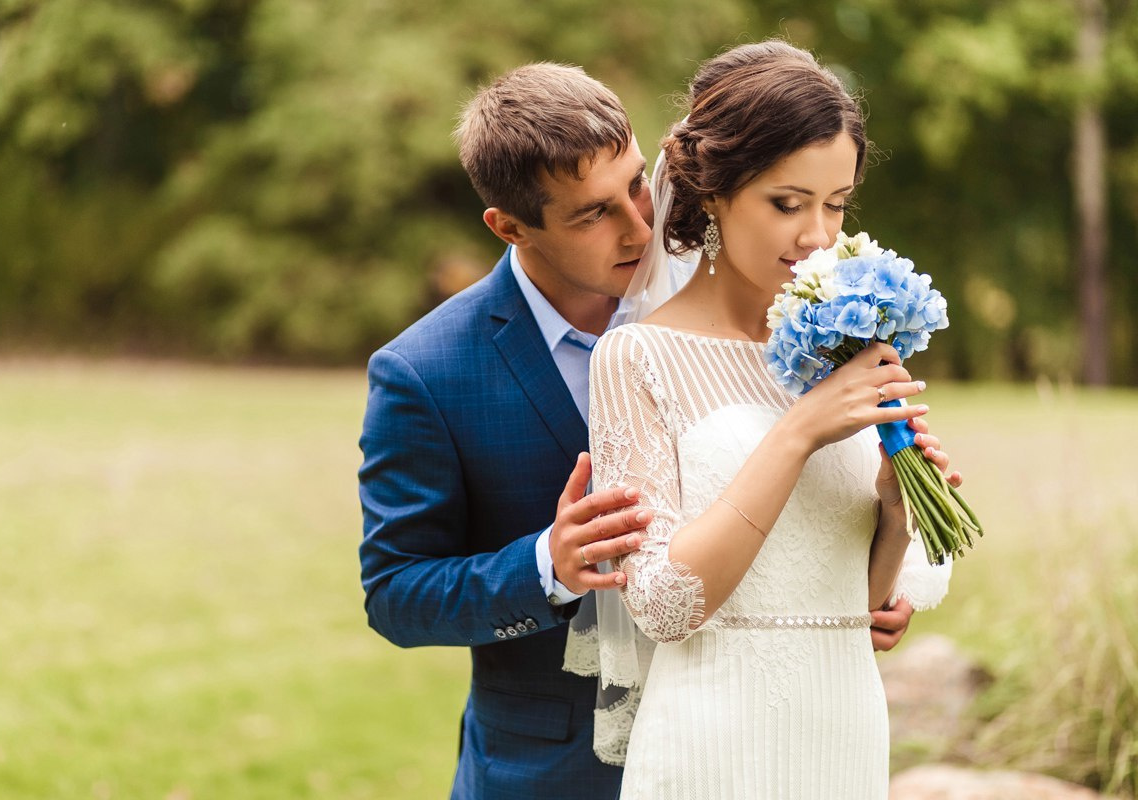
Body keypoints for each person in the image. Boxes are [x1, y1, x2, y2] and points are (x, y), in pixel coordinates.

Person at [359, 59, 940, 800]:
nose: (642, 225)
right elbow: (396, 594)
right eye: (592, 213)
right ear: (510, 226)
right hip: (556, 770)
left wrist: (862, 571)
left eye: (637, 182)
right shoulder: (427, 371)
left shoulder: (781, 305)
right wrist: (547, 567)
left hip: (787, 736)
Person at [565, 41, 958, 798]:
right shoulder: (637, 358)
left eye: (836, 203)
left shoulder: (848, 348)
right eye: (788, 202)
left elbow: (860, 604)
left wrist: (896, 509)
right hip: (714, 741)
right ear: (712, 193)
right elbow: (664, 605)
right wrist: (799, 431)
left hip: (844, 730)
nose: (818, 235)